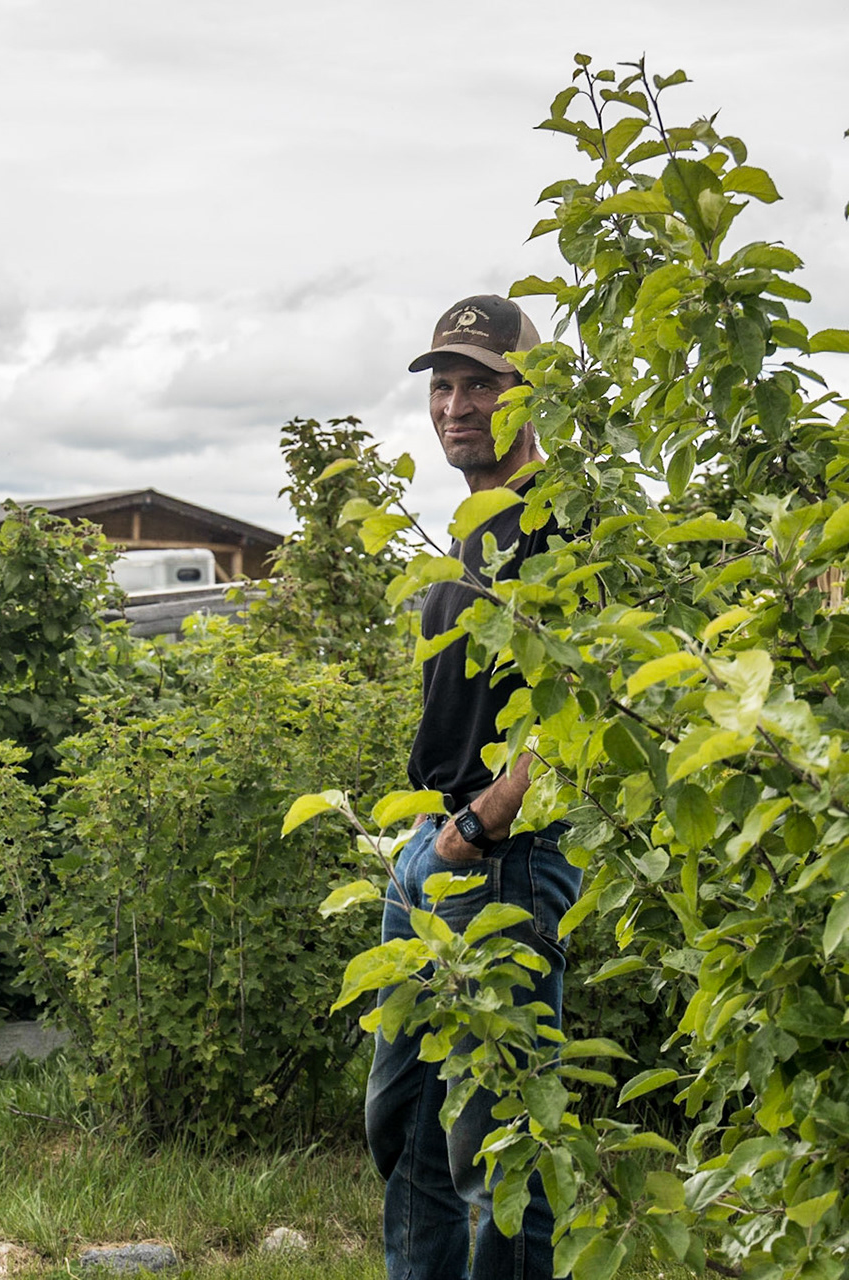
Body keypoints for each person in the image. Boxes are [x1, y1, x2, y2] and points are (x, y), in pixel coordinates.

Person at [364, 295, 584, 1279]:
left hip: (502, 862)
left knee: (498, 1153)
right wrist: (431, 835)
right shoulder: (472, 530)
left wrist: (480, 828)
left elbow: (587, 718)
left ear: (526, 390)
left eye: (479, 382)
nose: (454, 403)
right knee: (407, 1126)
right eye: (442, 385)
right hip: (434, 854)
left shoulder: (559, 529)